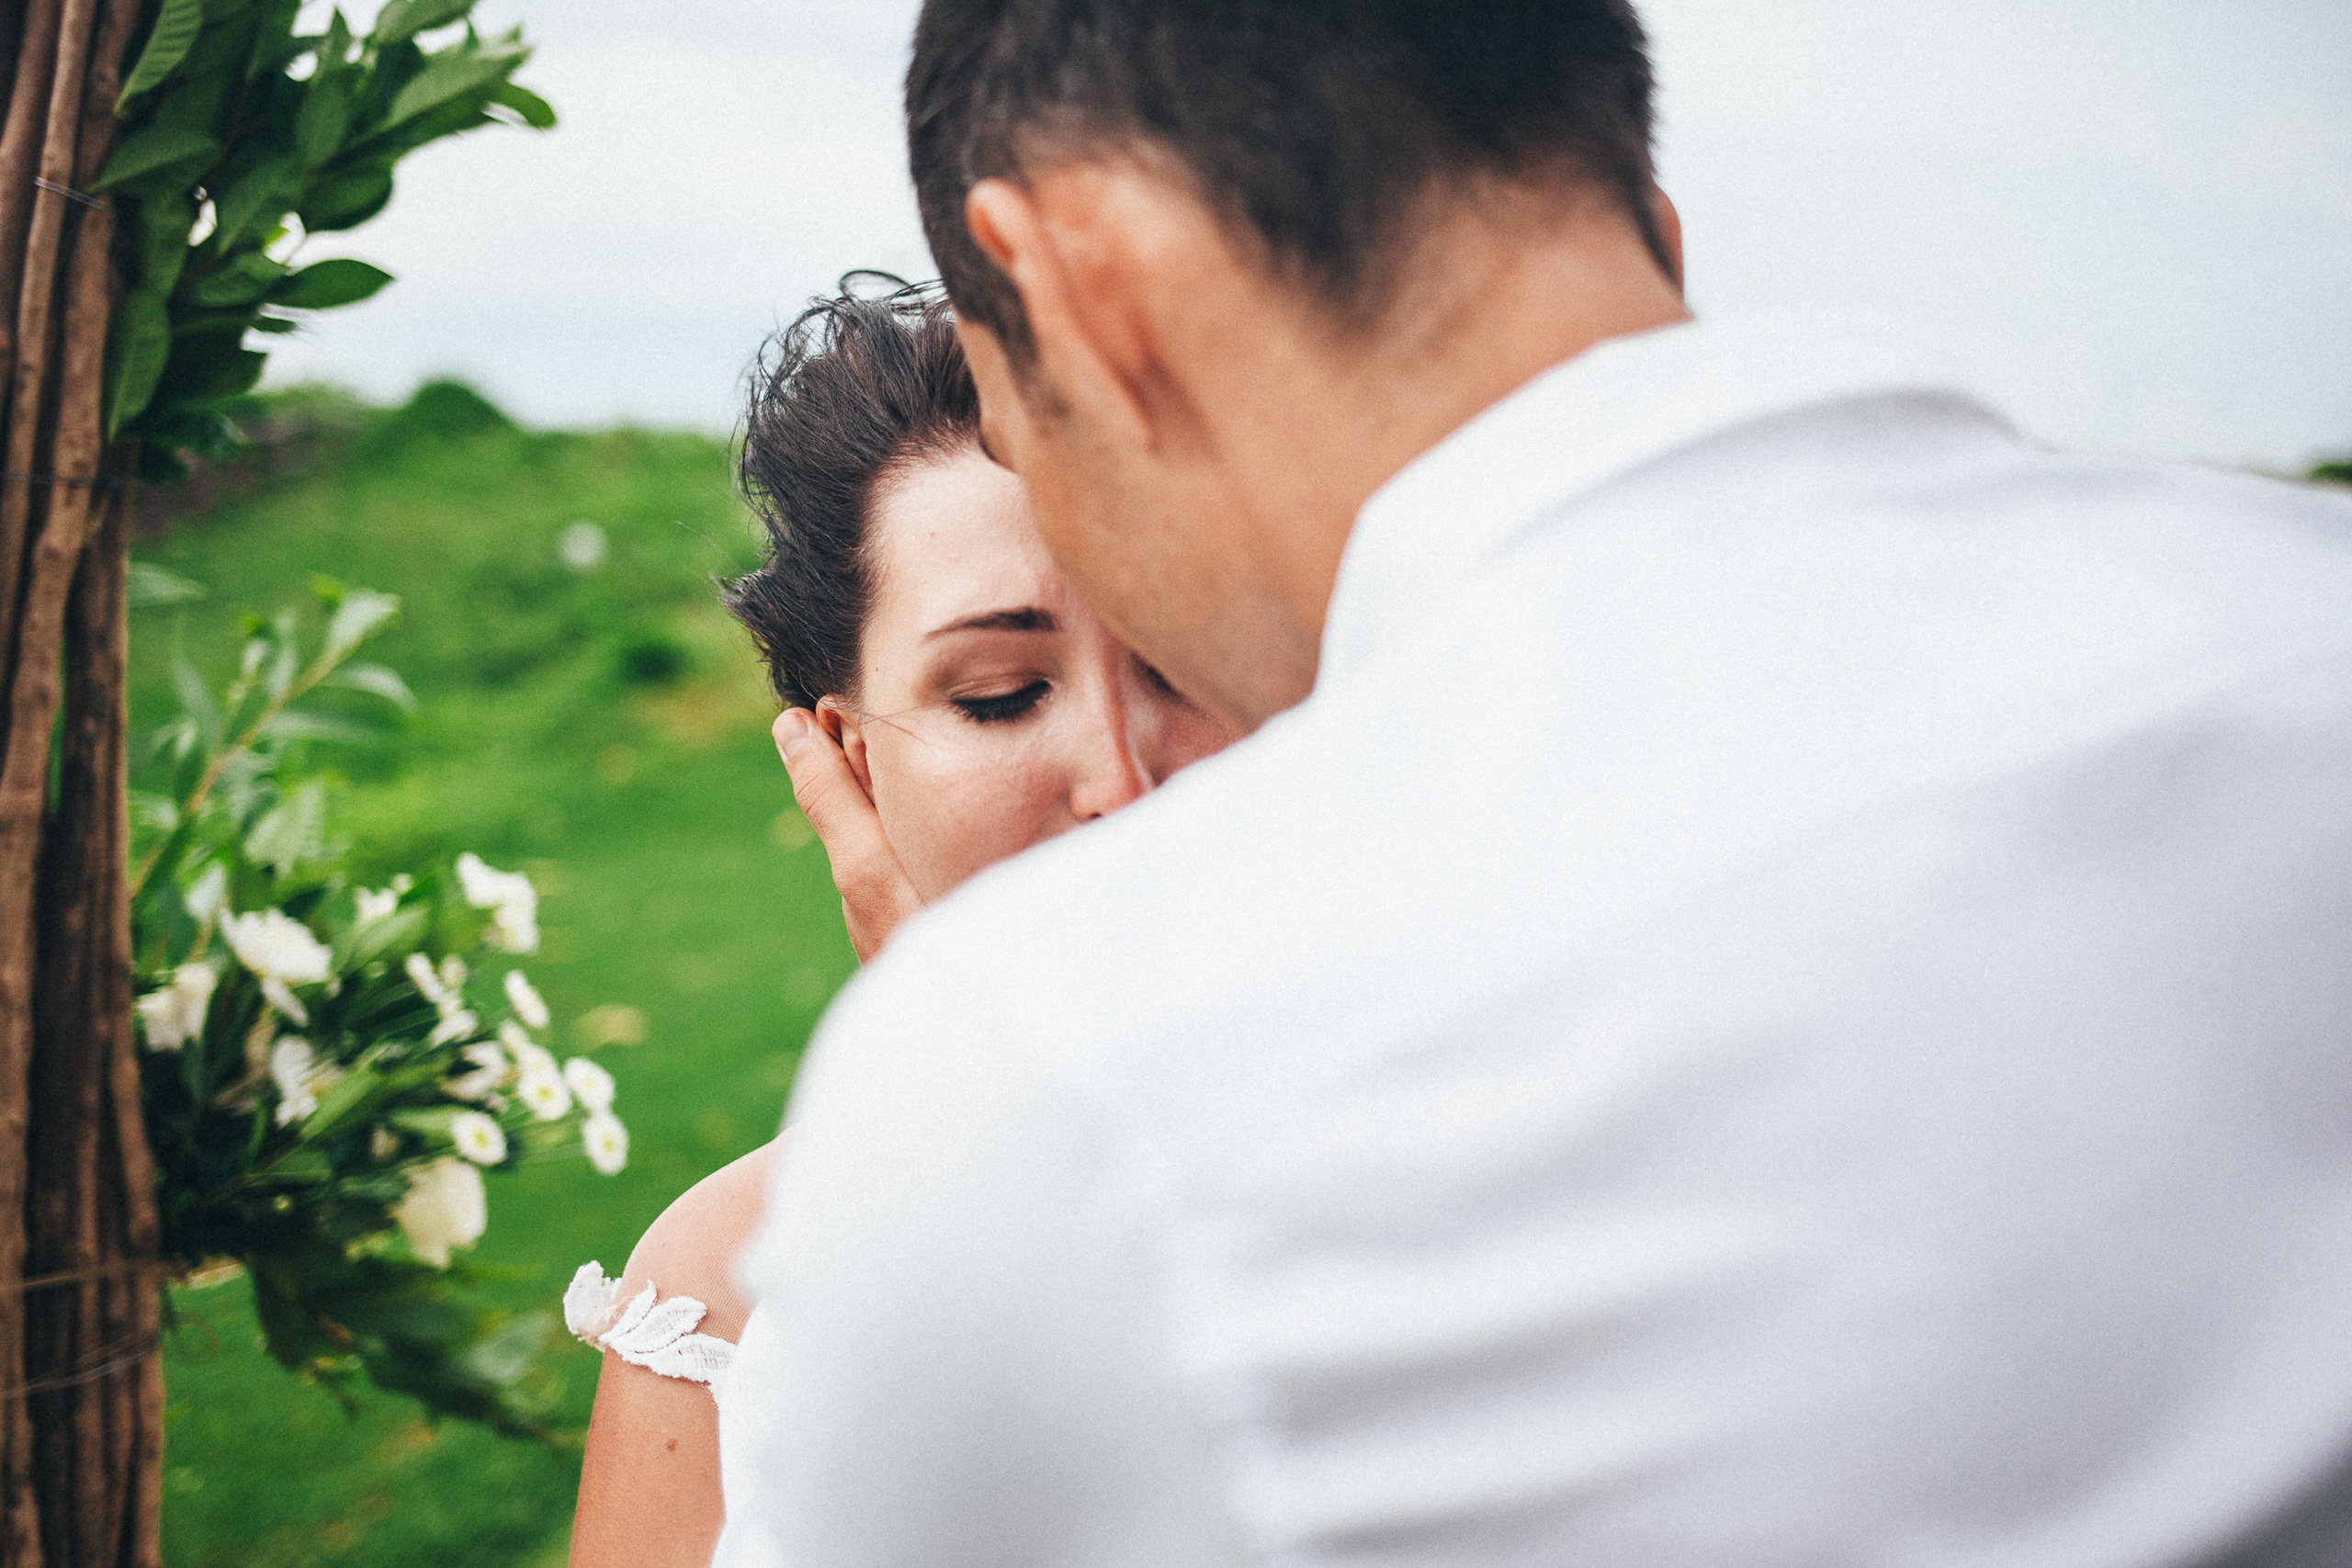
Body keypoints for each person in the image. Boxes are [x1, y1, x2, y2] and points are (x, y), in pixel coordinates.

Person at [714, 1, 2352, 1564]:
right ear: (1646, 232)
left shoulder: (1068, 1079)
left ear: (1082, 292)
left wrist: (972, 1074)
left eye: (1014, 420)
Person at [563, 283, 1231, 1568]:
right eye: (999, 695)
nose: (1120, 775)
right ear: (848, 759)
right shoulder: (721, 1281)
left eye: (1181, 658)